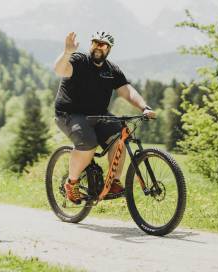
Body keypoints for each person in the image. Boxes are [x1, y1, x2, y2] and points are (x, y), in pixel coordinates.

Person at [54, 31, 155, 203]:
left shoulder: (111, 70)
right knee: (88, 143)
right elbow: (60, 70)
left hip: (98, 114)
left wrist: (144, 107)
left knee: (121, 136)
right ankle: (71, 183)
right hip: (70, 113)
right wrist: (67, 52)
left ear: (109, 49)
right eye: (95, 43)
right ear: (91, 45)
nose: (98, 47)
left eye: (103, 44)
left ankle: (113, 181)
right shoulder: (78, 60)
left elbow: (127, 91)